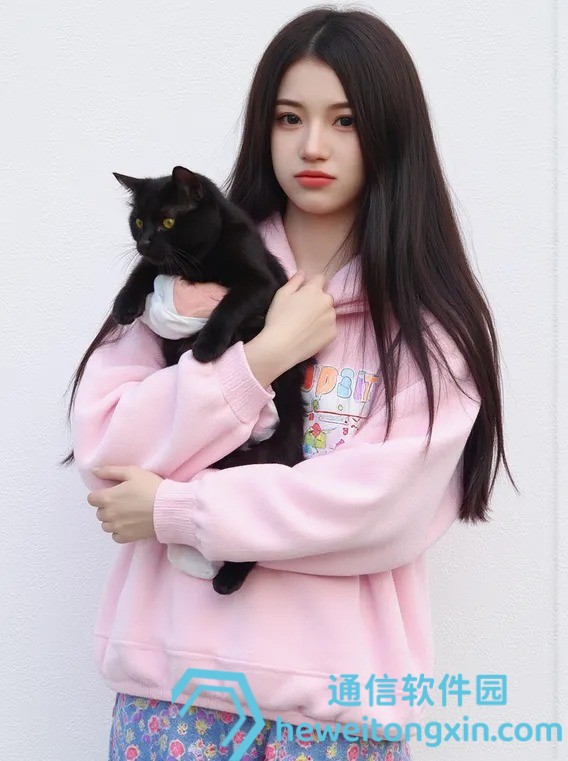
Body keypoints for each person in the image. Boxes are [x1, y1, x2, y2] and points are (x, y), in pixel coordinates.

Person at [65, 7, 517, 761]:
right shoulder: (179, 284)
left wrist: (179, 508)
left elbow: (380, 509)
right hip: (175, 700)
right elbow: (108, 447)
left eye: (345, 120)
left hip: (334, 720)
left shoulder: (427, 324)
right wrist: (259, 358)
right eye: (289, 117)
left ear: (391, 131)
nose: (312, 145)